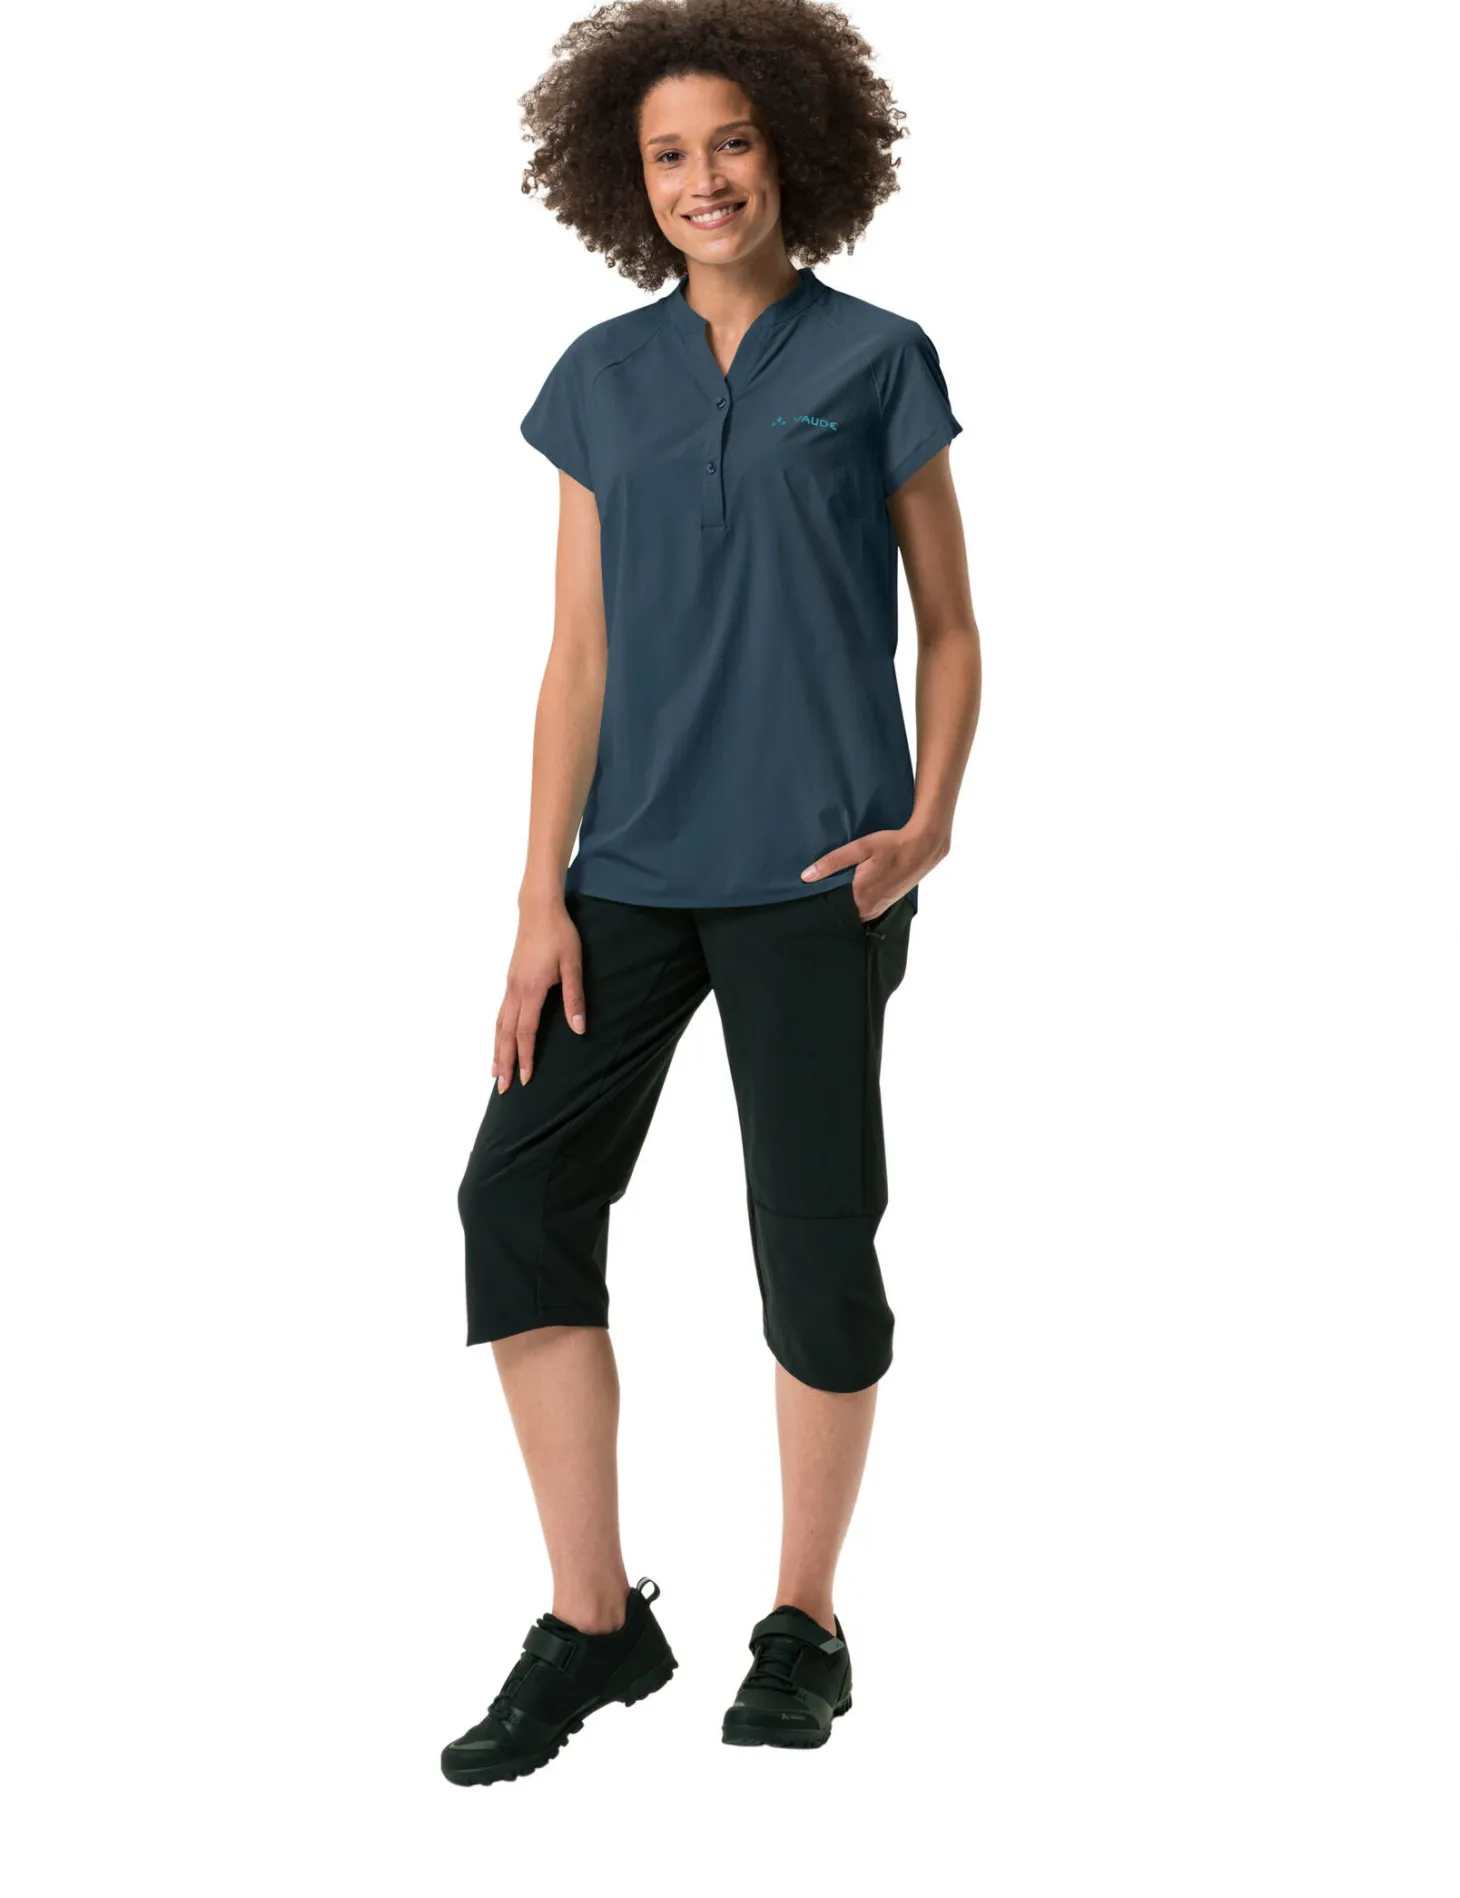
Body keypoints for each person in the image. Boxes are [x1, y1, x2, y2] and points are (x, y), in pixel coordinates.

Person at [442, 0, 981, 1787]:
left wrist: (927, 823)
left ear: (793, 149)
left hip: (819, 873)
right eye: (668, 153)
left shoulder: (879, 357)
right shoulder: (602, 378)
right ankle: (594, 1620)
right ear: (627, 177)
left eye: (731, 141)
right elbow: (576, 655)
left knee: (813, 1239)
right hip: (627, 878)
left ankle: (803, 1621)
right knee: (516, 1197)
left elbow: (952, 625)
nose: (703, 179)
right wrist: (539, 896)